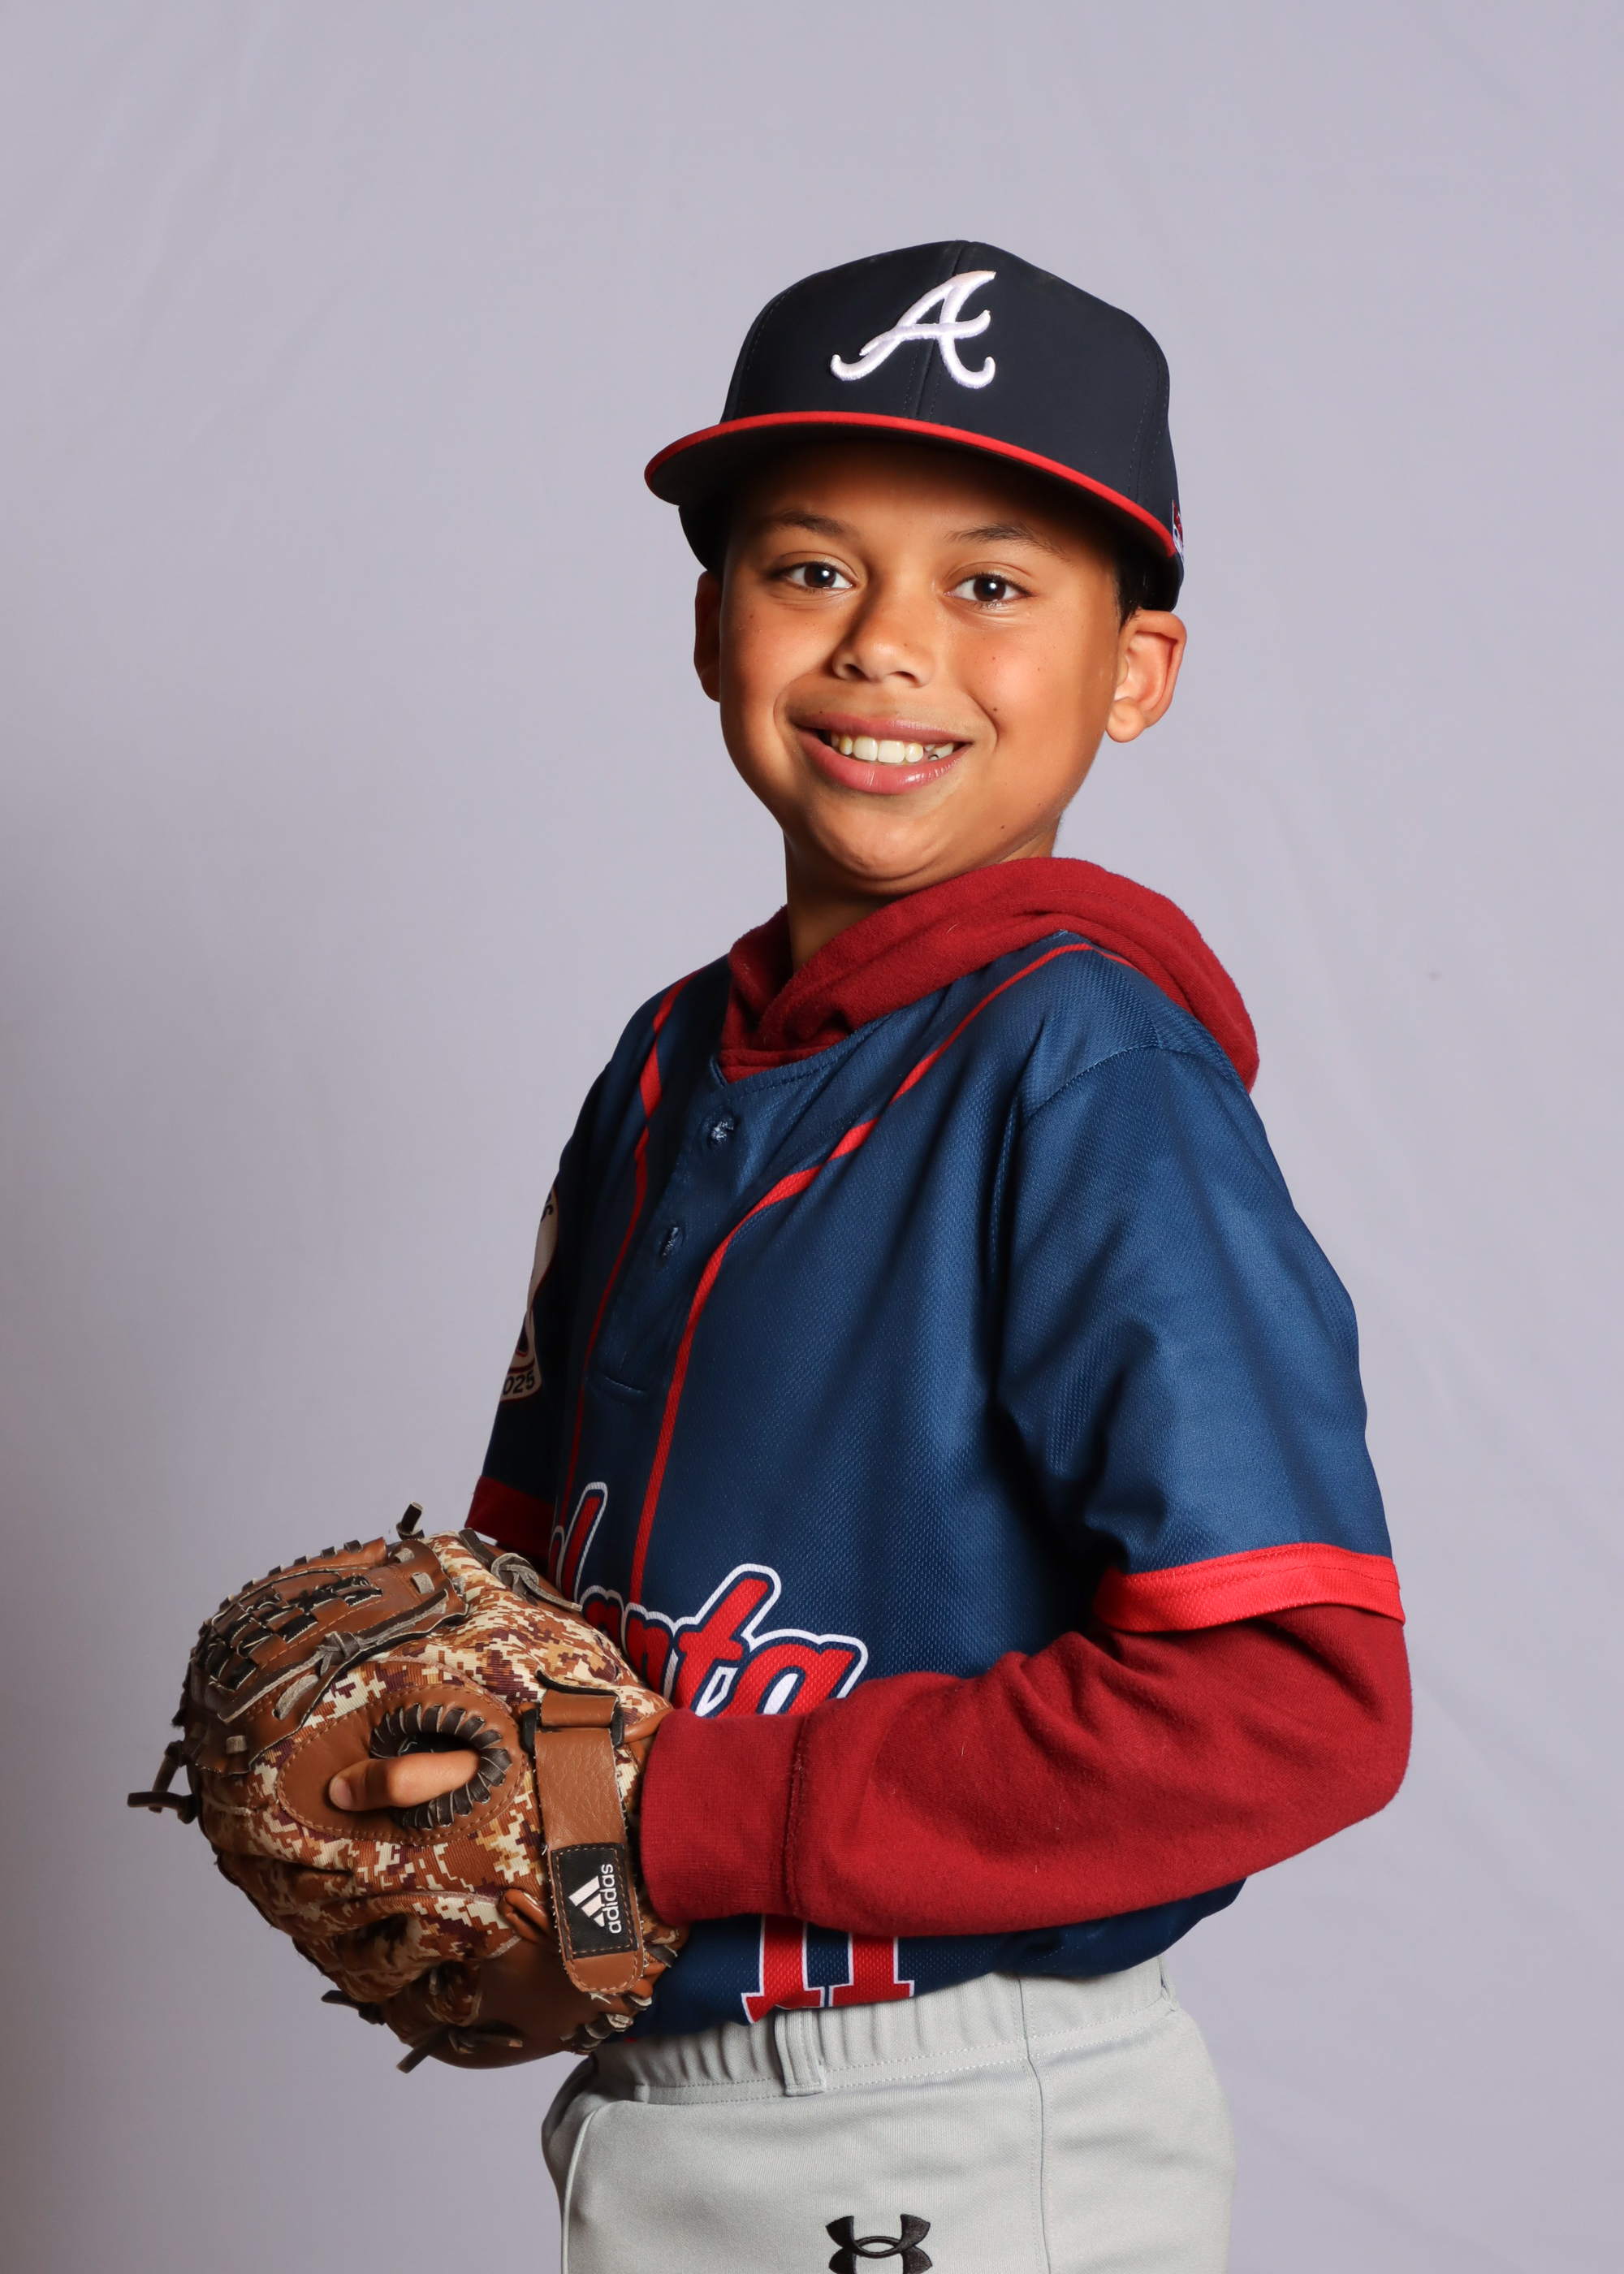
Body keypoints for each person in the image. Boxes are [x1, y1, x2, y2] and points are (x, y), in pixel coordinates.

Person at [333, 242, 1409, 2273]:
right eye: (811, 565)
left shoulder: (1090, 1072)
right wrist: (482, 1818)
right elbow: (546, 1628)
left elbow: (1296, 1697)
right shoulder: (666, 1059)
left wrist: (668, 1813)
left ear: (1135, 670)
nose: (886, 643)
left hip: (951, 2105)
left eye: (989, 585)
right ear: (710, 624)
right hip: (669, 2093)